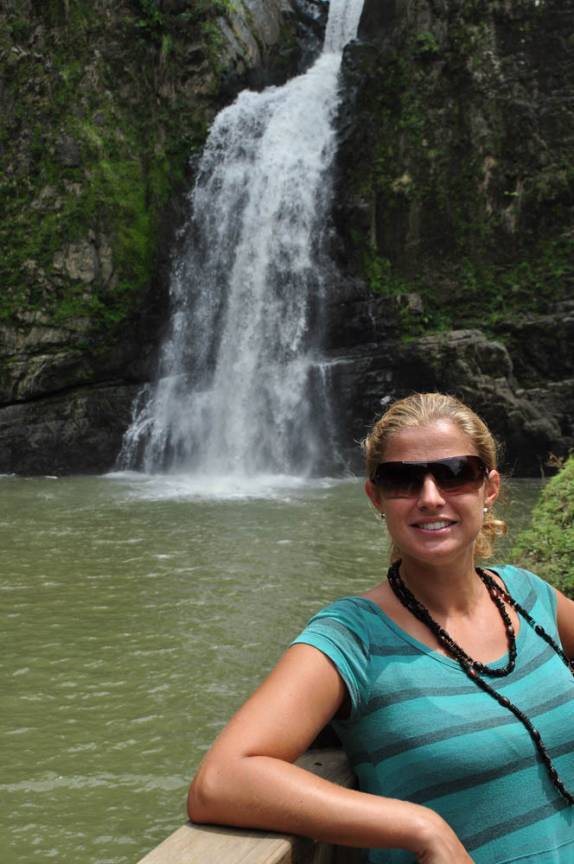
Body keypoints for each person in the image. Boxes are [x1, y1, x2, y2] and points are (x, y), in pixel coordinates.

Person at [188, 393, 574, 863]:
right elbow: (222, 779)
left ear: (488, 488)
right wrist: (419, 825)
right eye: (402, 480)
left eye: (455, 474)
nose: (430, 498)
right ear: (377, 497)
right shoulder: (353, 636)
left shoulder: (529, 596)